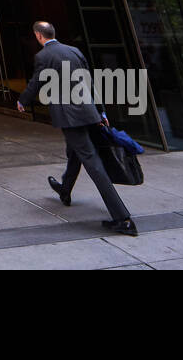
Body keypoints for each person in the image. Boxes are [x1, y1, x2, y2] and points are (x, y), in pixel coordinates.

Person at [17, 20, 138, 237]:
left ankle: (123, 219)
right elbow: (90, 82)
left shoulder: (43, 57)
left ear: (38, 35)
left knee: (93, 164)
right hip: (88, 112)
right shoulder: (75, 51)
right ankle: (65, 189)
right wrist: (100, 111)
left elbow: (37, 82)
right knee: (75, 153)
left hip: (69, 116)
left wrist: (23, 101)